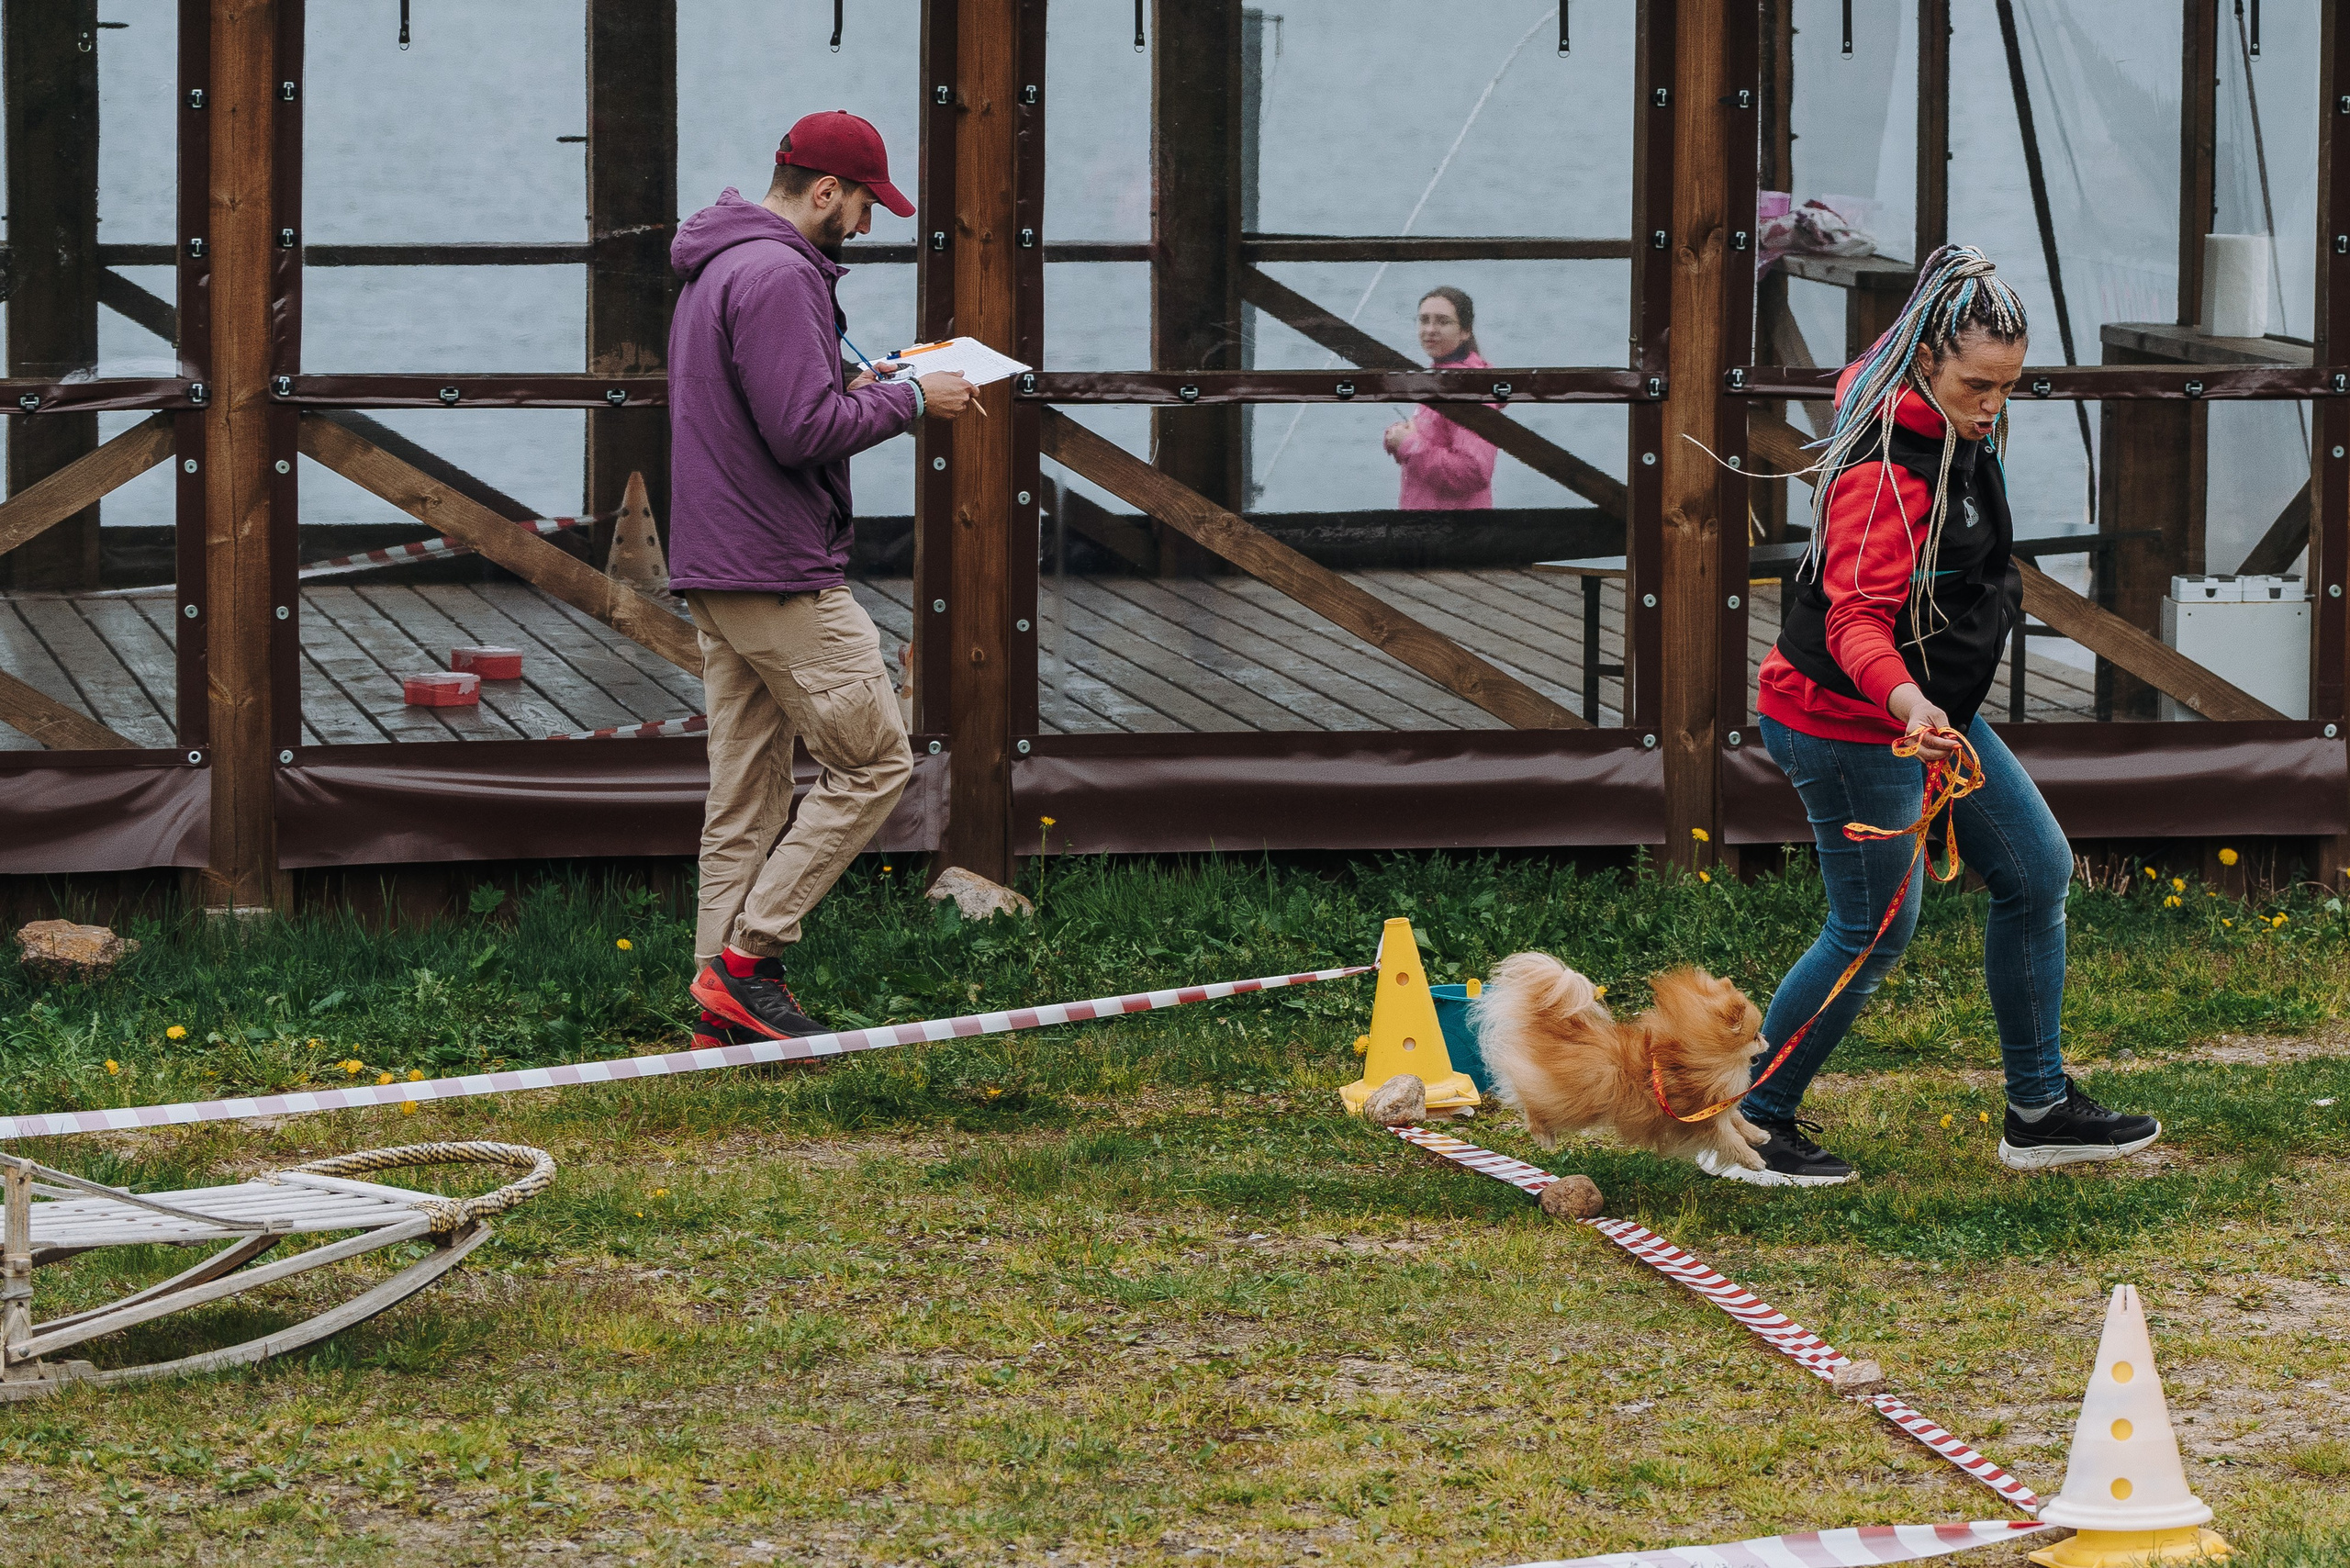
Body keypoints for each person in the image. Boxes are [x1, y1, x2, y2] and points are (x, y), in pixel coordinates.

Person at [1717, 244, 2160, 1188]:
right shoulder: (1886, 469)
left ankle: (2037, 1112)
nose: (1992, 403)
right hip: (1845, 719)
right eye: (1975, 383)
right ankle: (1750, 1122)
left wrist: (1952, 275)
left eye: (2009, 386)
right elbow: (1853, 618)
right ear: (1924, 359)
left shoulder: (1941, 414)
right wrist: (1907, 700)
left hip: (1928, 718)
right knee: (1871, 928)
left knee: (2035, 870)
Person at [668, 110, 975, 1044]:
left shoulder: (722, 264)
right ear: (825, 191)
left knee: (747, 797)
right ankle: (750, 958)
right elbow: (801, 434)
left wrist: (863, 382)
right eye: (865, 205)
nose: (869, 226)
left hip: (721, 564)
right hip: (779, 570)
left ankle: (719, 1013)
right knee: (876, 762)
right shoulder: (776, 274)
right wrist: (917, 398)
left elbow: (778, 405)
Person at [1382, 286, 1499, 510]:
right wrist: (1401, 435)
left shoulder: (1468, 387)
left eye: (1442, 322)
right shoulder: (1442, 377)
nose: (1430, 329)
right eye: (1424, 320)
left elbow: (1472, 471)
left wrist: (1407, 444)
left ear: (1465, 331)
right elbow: (1436, 437)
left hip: (1455, 533)